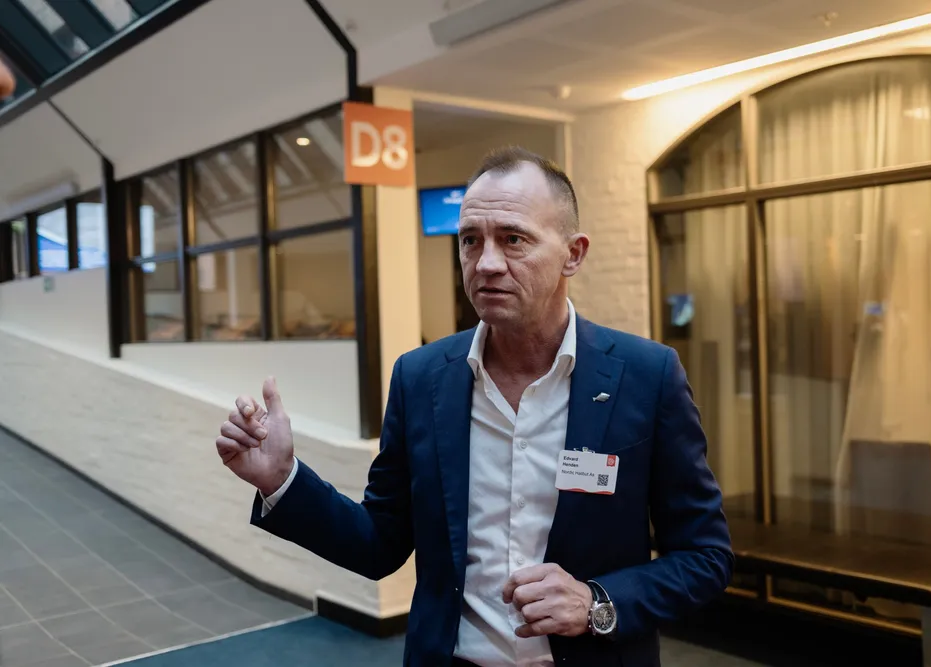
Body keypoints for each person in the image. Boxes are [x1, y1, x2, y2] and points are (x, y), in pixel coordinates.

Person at [216, 146, 733, 666]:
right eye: (470, 240)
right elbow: (379, 543)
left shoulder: (646, 377)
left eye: (513, 239)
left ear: (573, 254)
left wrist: (597, 602)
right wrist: (281, 480)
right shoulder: (421, 378)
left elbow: (705, 556)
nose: (486, 263)